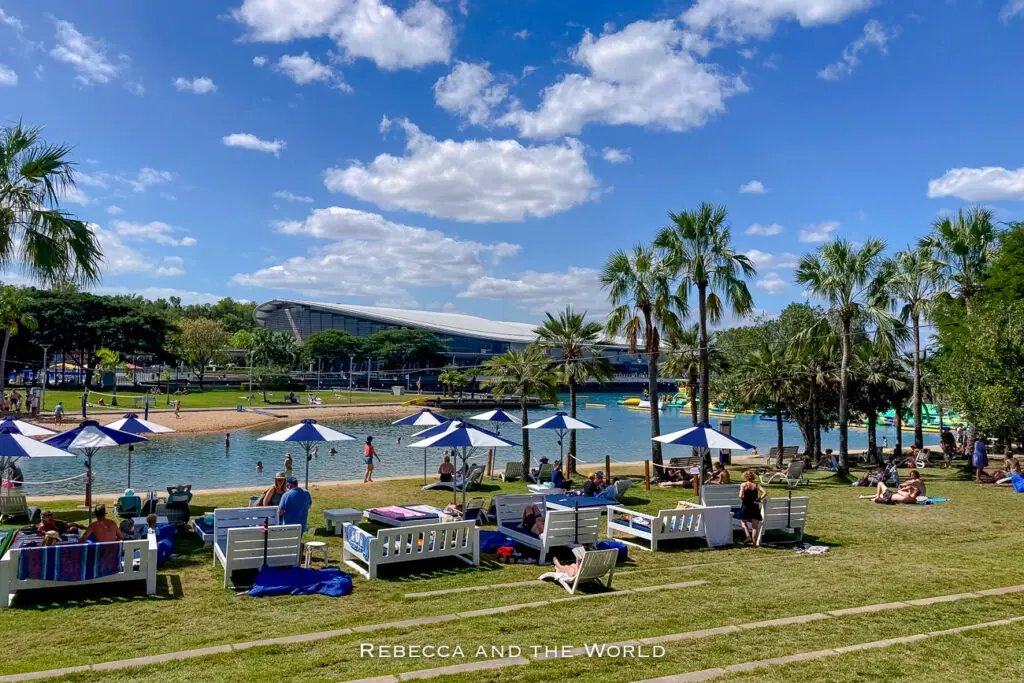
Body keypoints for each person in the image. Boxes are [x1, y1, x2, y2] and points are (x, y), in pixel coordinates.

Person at [861, 469, 925, 504]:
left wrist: (902, 486)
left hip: (892, 496)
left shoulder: (918, 481)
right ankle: (865, 497)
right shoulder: (912, 497)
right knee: (881, 494)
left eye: (913, 475)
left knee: (880, 484)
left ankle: (875, 498)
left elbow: (909, 484)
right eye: (911, 475)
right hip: (892, 496)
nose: (912, 476)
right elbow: (910, 486)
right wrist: (906, 487)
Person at [738, 472, 765, 546]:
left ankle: (748, 536)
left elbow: (740, 496)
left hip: (746, 505)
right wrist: (759, 498)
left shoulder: (744, 485)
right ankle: (754, 544)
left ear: (745, 477)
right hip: (755, 506)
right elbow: (765, 492)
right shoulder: (756, 485)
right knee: (755, 527)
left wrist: (744, 499)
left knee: (743, 522)